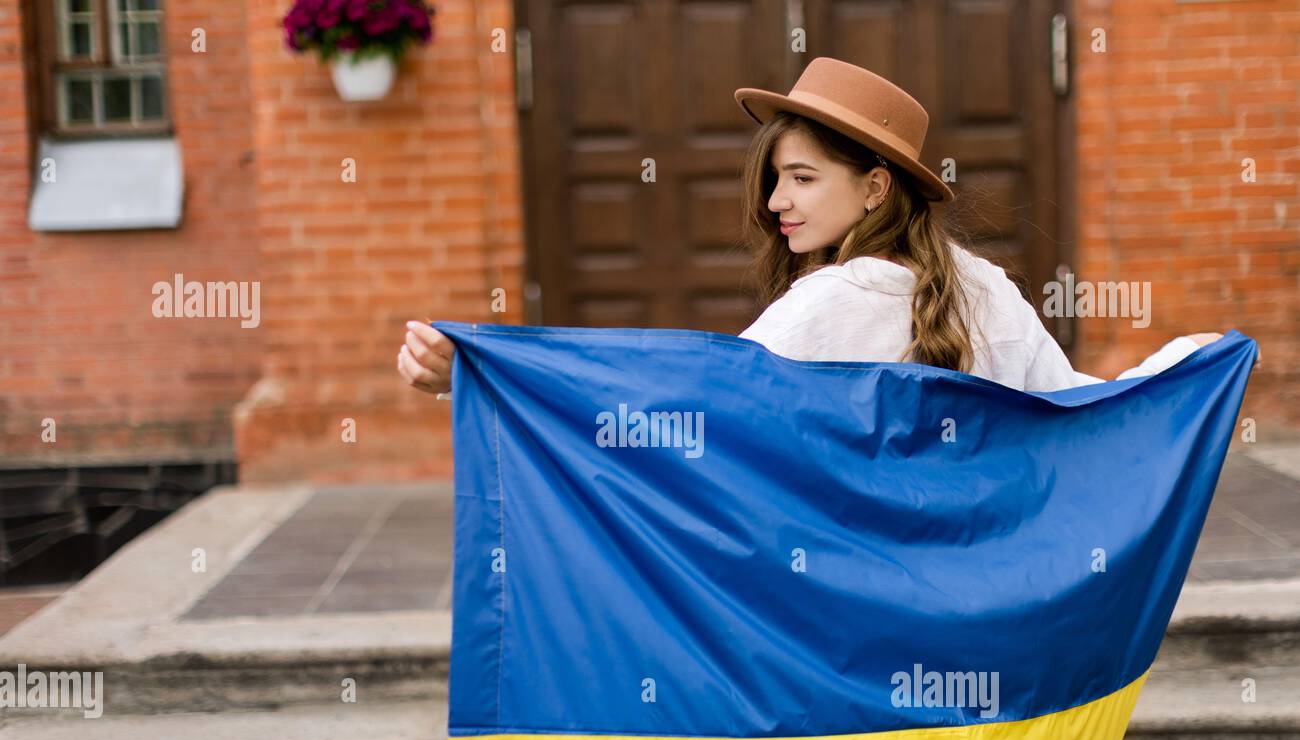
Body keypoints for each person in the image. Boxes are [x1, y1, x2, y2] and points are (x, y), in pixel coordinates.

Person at [397, 57, 1242, 397]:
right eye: (774, 180)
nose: (775, 203)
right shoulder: (984, 286)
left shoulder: (830, 303)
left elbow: (686, 411)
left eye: (801, 179)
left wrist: (486, 380)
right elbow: (1075, 413)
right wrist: (1181, 374)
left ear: (876, 187)